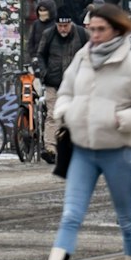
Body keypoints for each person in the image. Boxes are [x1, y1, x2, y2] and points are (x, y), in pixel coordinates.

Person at [20, 3, 131, 260]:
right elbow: (66, 92)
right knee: (70, 216)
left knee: (127, 221)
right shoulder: (82, 59)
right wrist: (65, 111)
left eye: (101, 29)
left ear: (117, 30)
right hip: (83, 150)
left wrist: (121, 119)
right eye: (92, 29)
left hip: (120, 153)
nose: (94, 35)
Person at [32, 11, 87, 163]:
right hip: (53, 83)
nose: (63, 29)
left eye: (66, 26)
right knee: (53, 115)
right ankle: (50, 149)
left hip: (76, 84)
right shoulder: (49, 34)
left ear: (71, 24)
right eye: (60, 26)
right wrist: (43, 73)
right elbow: (40, 55)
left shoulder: (82, 34)